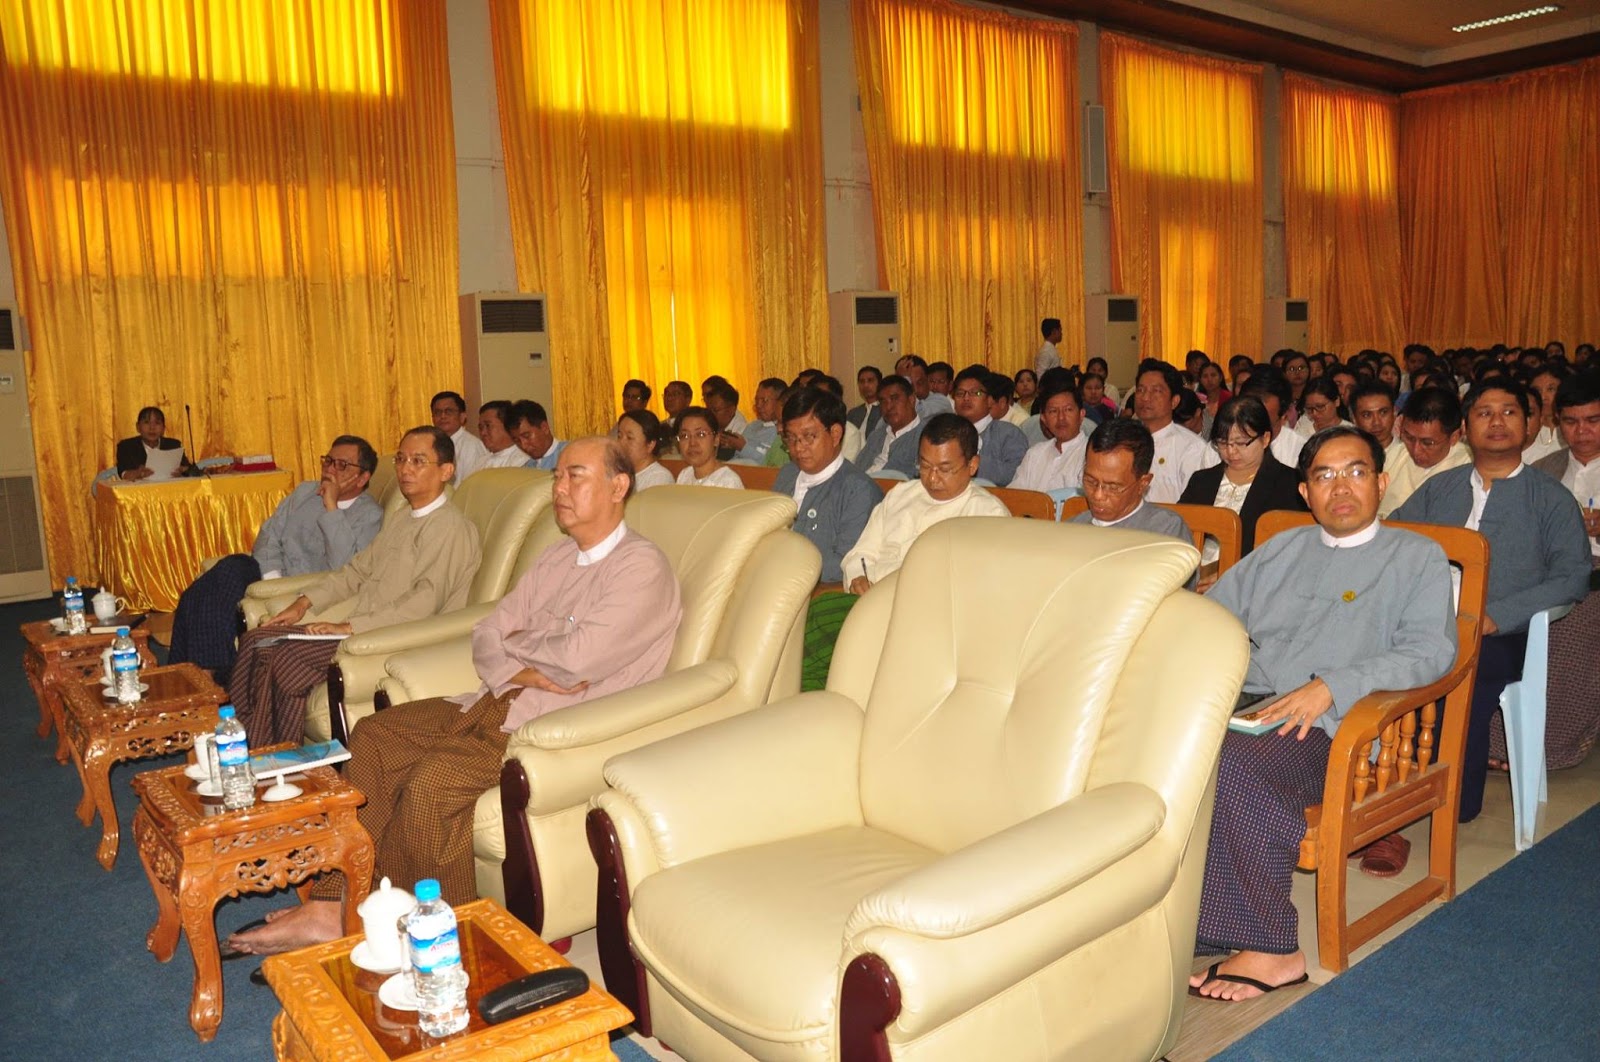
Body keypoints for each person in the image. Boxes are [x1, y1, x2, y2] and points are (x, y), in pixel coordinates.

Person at [224, 438, 682, 954]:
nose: (559, 488)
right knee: (375, 735)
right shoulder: (558, 556)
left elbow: (578, 660)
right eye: (557, 476)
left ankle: (436, 933)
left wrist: (518, 649)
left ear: (618, 487)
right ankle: (335, 904)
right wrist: (523, 662)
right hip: (493, 699)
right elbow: (488, 634)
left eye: (575, 476)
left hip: (548, 727)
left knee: (430, 784)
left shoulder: (640, 567)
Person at [1188, 427, 1457, 1002]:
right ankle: (1194, 922)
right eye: (1324, 476)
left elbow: (1431, 652)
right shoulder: (1282, 549)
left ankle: (1273, 948)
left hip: (1342, 727)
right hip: (1254, 707)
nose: (1341, 488)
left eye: (1356, 472)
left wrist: (1333, 687)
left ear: (1381, 482)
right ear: (1305, 492)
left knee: (1234, 765)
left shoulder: (1416, 558)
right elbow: (1211, 617)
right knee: (1158, 748)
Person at [1393, 379, 1591, 826]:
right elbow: (1396, 538)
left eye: (1509, 412)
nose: (1497, 421)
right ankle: (1379, 788)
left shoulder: (1550, 498)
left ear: (1529, 425)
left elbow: (1573, 576)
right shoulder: (1440, 488)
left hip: (1503, 632)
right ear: (1465, 428)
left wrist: (1497, 616)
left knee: (1465, 672)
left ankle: (1449, 800)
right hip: (1428, 622)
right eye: (1484, 413)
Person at [228, 428, 483, 745]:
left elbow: (423, 604)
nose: (405, 469)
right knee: (258, 638)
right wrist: (303, 603)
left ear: (446, 471)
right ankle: (246, 741)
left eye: (418, 461)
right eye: (401, 459)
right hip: (363, 627)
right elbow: (356, 571)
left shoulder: (449, 527)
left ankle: (271, 751)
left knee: (284, 656)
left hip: (394, 637)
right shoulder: (403, 517)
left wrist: (348, 627)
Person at [800, 414, 1006, 691]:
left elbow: (977, 591)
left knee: (824, 620)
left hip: (925, 616)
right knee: (816, 616)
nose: (932, 478)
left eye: (945, 469)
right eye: (925, 465)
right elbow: (861, 553)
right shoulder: (901, 495)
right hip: (869, 599)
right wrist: (858, 577)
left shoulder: (987, 514)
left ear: (972, 465)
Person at [168, 436, 384, 683]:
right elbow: (269, 534)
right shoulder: (305, 491)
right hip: (271, 574)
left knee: (223, 583)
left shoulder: (370, 515)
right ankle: (183, 676)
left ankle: (209, 678)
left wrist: (331, 505)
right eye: (328, 461)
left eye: (342, 465)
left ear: (362, 478)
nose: (330, 470)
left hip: (308, 587)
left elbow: (345, 567)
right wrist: (272, 578)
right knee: (209, 584)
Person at [1503, 371, 1600, 772]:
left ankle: (1553, 746)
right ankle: (1506, 741)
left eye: (1593, 421)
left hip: (1594, 580)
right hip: (1548, 576)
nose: (1581, 432)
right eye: (1571, 422)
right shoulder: (1542, 470)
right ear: (1557, 423)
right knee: (1503, 626)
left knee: (1565, 636)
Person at [771, 387, 881, 584]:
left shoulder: (858, 490)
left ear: (835, 434)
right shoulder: (787, 474)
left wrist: (783, 567)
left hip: (818, 590)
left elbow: (845, 563)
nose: (798, 447)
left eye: (808, 436)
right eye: (791, 438)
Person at [1179, 396, 1306, 563]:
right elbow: (1179, 529)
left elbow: (1294, 548)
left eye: (1240, 443)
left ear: (1265, 438)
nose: (1231, 452)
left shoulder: (1290, 483)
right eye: (1222, 443)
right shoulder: (1201, 480)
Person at [1070, 419, 1192, 544]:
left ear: (1143, 483)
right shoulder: (1071, 528)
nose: (1097, 495)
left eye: (1113, 487)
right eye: (1090, 481)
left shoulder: (1166, 531)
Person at [1378, 386, 1470, 518]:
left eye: (1427, 443)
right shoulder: (1391, 457)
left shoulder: (1468, 469)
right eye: (1409, 438)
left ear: (1454, 437)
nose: (1416, 450)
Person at [1133, 359, 1207, 503]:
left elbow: (1196, 507)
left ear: (1174, 401)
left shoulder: (1192, 447)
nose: (1145, 398)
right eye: (1141, 390)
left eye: (1156, 391)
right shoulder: (1123, 440)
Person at [951, 364, 1027, 486]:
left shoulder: (1009, 433)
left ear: (990, 400)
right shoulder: (944, 433)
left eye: (976, 393)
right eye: (960, 393)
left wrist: (966, 462)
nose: (966, 398)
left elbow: (1016, 474)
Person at [1011, 379, 1089, 493]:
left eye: (1068, 410)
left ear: (1081, 415)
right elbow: (1015, 494)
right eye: (1053, 411)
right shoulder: (1035, 454)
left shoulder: (1091, 454)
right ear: (1044, 419)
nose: (1061, 417)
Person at [860, 374, 922, 477]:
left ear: (912, 400)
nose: (888, 406)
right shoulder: (875, 436)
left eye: (894, 399)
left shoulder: (925, 436)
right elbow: (856, 470)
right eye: (883, 401)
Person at [674, 406, 742, 488]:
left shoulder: (728, 482)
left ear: (716, 439)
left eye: (700, 434)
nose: (692, 443)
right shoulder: (685, 475)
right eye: (685, 436)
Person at [116, 406, 190, 480]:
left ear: (163, 428)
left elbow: (188, 469)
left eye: (157, 423)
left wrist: (183, 472)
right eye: (146, 422)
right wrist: (138, 473)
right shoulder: (126, 447)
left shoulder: (173, 445)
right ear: (138, 427)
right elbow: (124, 474)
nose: (152, 428)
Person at [718, 378, 783, 462]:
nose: (758, 405)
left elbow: (770, 462)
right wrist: (731, 445)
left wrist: (743, 447)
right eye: (756, 400)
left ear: (780, 402)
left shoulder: (781, 432)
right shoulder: (753, 425)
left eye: (764, 400)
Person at [431, 391, 487, 483]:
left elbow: (471, 484)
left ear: (462, 416)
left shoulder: (471, 446)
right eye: (437, 412)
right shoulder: (432, 445)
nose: (443, 416)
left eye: (448, 411)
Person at [614, 410, 673, 491]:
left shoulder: (659, 478)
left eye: (629, 438)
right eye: (619, 436)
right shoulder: (618, 474)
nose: (621, 443)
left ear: (650, 445)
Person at [1351, 380, 1404, 469]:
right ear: (1354, 419)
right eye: (1367, 415)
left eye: (1383, 412)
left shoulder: (1410, 457)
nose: (1376, 422)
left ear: (1394, 413)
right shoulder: (1345, 456)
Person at [477, 400, 534, 470]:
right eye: (480, 427)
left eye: (488, 425)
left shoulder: (523, 460)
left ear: (507, 425)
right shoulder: (481, 461)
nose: (483, 433)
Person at [509, 400, 565, 470]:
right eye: (517, 440)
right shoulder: (527, 469)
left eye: (527, 436)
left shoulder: (570, 455)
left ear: (544, 428)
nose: (524, 446)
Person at [896, 354, 953, 420]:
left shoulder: (941, 402)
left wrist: (905, 379)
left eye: (920, 383)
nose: (915, 390)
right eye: (910, 385)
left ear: (928, 380)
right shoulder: (890, 406)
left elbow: (913, 412)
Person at [849, 366, 883, 438]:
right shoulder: (853, 414)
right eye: (862, 381)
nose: (865, 385)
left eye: (870, 380)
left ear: (879, 383)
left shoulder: (885, 410)